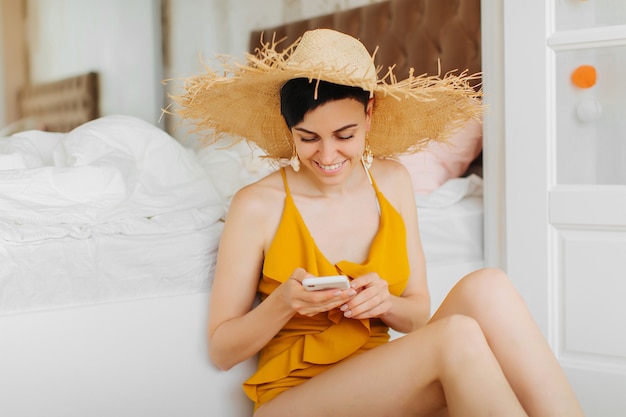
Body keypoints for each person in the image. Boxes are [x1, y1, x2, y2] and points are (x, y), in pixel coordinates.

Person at [174, 29, 584, 417]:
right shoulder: (257, 205)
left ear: (369, 114)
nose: (327, 155)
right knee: (456, 335)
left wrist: (386, 304)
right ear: (290, 130)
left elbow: (418, 315)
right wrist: (284, 304)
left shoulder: (392, 180)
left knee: (488, 285)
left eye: (344, 135)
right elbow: (222, 351)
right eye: (308, 137)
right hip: (296, 397)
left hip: (386, 382)